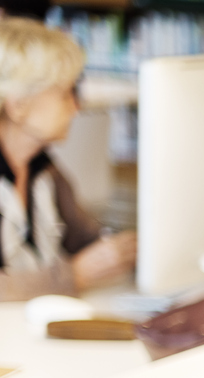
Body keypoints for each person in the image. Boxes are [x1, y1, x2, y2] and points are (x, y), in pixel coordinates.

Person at [0, 17, 135, 302]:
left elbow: (87, 238)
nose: (76, 107)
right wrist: (72, 276)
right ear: (18, 105)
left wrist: (123, 250)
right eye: (65, 94)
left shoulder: (44, 170)